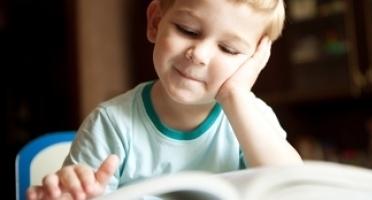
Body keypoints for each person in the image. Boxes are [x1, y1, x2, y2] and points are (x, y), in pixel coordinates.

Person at [27, 0, 303, 199]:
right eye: (188, 30)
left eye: (228, 49)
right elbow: (77, 193)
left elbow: (295, 190)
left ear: (256, 60)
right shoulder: (111, 123)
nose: (200, 54)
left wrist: (234, 95)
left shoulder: (252, 118)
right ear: (156, 22)